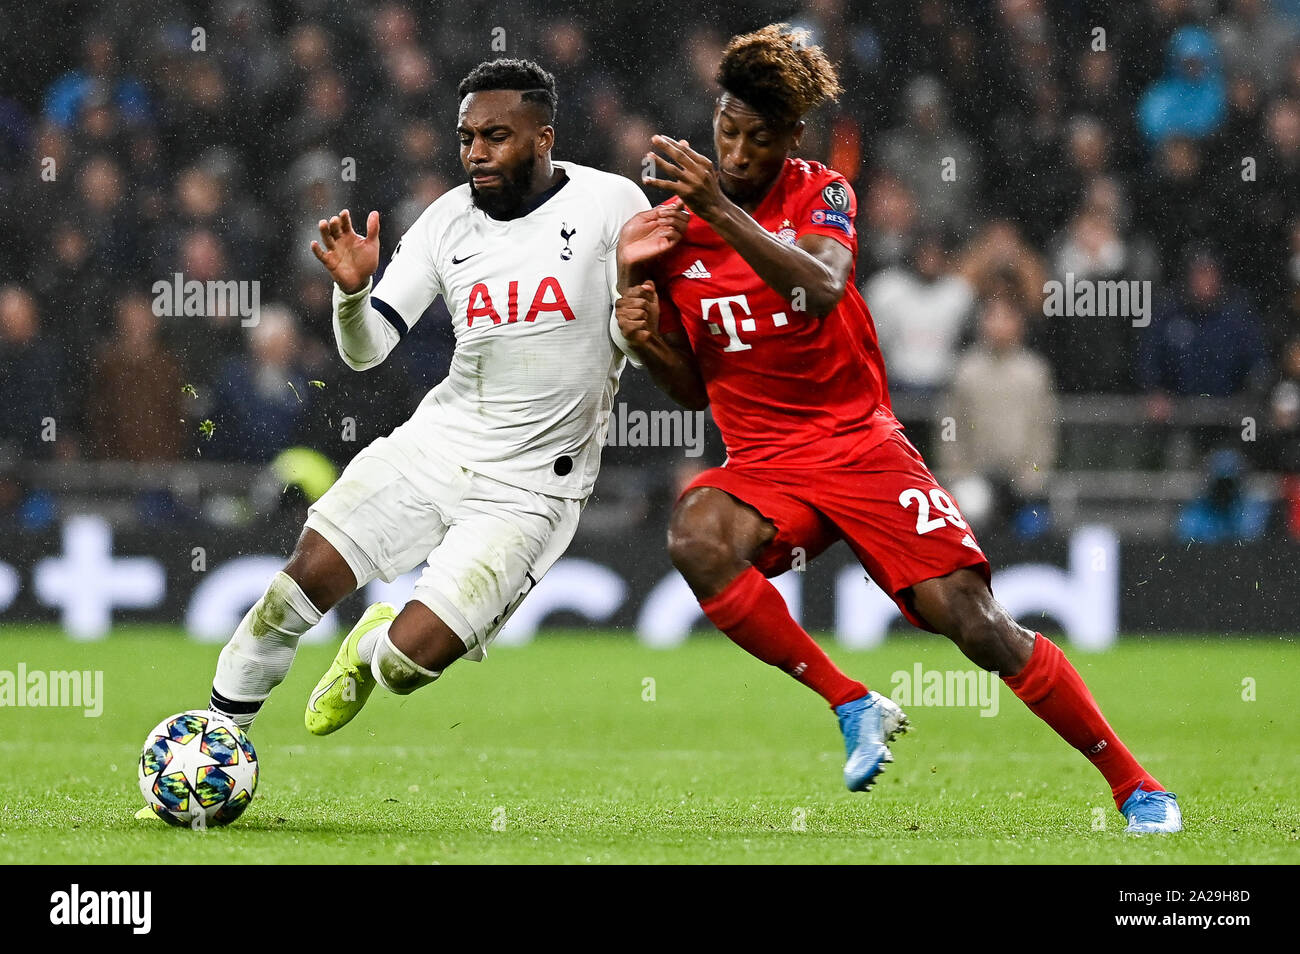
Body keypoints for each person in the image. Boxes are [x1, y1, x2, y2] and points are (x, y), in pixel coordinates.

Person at [614, 24, 1180, 833]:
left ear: (793, 138)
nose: (737, 154)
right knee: (695, 535)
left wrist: (718, 209)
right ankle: (851, 704)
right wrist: (647, 342)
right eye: (728, 132)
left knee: (978, 625)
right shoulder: (668, 236)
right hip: (767, 463)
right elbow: (691, 392)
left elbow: (818, 285)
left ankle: (1136, 786)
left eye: (759, 139)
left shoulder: (820, 192)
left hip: (860, 445)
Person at [195, 60, 674, 750]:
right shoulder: (445, 221)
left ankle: (367, 648)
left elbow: (631, 334)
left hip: (532, 487)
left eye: (496, 135)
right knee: (289, 594)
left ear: (544, 137)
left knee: (403, 666)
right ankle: (212, 745)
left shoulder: (611, 204)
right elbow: (367, 349)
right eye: (466, 137)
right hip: (436, 446)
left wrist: (633, 330)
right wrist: (352, 294)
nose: (476, 152)